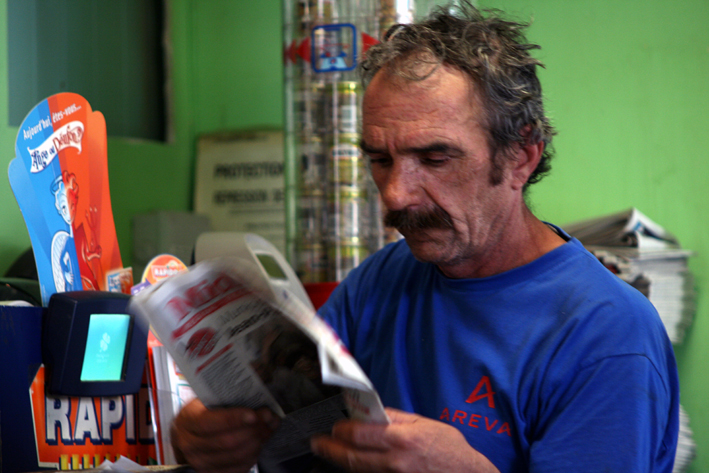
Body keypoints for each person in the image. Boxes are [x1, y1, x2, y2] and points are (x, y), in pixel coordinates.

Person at [170, 3, 680, 472]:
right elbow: (297, 434)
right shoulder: (381, 281)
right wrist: (211, 435)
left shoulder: (607, 336)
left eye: (435, 159)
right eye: (379, 160)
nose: (395, 196)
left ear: (521, 157)